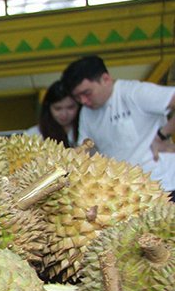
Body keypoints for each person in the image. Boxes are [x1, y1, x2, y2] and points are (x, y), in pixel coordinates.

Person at [61, 55, 175, 192]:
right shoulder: (86, 113)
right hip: (121, 193)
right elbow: (87, 150)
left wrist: (162, 135)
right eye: (78, 97)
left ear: (105, 79)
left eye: (87, 93)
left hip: (163, 185)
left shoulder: (134, 92)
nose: (83, 101)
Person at [25, 80, 79, 147]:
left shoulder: (87, 129)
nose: (64, 114)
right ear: (48, 108)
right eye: (58, 108)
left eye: (70, 107)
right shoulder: (33, 135)